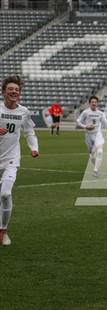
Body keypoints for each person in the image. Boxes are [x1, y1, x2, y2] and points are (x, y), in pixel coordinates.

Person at [0, 75, 39, 245]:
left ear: (20, 93)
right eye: (10, 89)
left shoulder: (23, 111)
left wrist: (34, 148)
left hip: (11, 159)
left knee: (6, 193)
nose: (14, 92)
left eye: (17, 90)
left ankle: (3, 230)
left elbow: (29, 132)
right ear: (3, 92)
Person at [76, 96, 107, 177]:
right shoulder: (85, 112)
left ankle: (95, 170)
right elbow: (78, 121)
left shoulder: (100, 113)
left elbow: (106, 122)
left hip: (98, 135)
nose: (94, 103)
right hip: (88, 135)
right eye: (92, 102)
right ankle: (96, 165)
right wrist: (86, 126)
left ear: (97, 103)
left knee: (100, 151)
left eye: (95, 102)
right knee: (92, 155)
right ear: (89, 103)